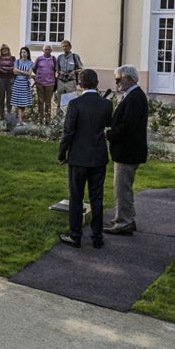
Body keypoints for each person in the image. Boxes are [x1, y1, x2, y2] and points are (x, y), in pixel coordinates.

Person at [58, 69, 113, 249]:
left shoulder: (75, 104)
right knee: (97, 198)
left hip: (79, 156)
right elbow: (107, 125)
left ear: (80, 84)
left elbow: (68, 132)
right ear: (97, 83)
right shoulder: (106, 104)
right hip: (98, 155)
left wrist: (62, 153)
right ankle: (97, 237)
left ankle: (76, 235)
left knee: (76, 197)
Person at [104, 65, 148, 236]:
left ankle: (124, 222)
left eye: (118, 79)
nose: (116, 83)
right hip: (128, 149)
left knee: (122, 188)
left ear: (129, 79)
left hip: (128, 150)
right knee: (123, 187)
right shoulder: (132, 95)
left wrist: (108, 134)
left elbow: (127, 126)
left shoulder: (135, 97)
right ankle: (125, 218)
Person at [54, 40, 83, 111]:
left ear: (70, 47)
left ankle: (69, 119)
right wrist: (60, 72)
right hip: (61, 82)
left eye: (66, 46)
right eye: (63, 46)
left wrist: (74, 71)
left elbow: (81, 69)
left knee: (70, 102)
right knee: (60, 103)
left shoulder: (75, 57)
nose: (64, 48)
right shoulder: (60, 57)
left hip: (70, 82)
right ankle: (58, 120)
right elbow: (57, 69)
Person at [32, 46, 57, 123]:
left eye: (49, 49)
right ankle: (40, 117)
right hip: (39, 82)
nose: (47, 51)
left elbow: (56, 69)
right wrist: (39, 75)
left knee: (48, 102)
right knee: (40, 101)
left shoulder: (53, 59)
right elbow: (34, 68)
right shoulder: (39, 58)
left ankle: (48, 118)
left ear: (51, 50)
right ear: (43, 50)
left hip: (50, 83)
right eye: (46, 49)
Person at [10, 47, 34, 124]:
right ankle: (20, 120)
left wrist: (19, 71)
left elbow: (29, 74)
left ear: (28, 53)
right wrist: (25, 72)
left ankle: (21, 120)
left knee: (24, 103)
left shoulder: (30, 63)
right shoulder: (17, 61)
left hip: (25, 84)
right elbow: (14, 72)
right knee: (18, 104)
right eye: (22, 52)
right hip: (17, 83)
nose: (23, 54)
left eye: (25, 52)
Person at [0, 44, 16, 117]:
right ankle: (1, 115)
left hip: (11, 79)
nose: (5, 50)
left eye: (6, 49)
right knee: (1, 97)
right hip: (1, 79)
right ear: (1, 51)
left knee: (9, 98)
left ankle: (8, 114)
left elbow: (14, 68)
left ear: (8, 50)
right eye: (3, 49)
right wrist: (8, 69)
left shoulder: (13, 58)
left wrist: (5, 69)